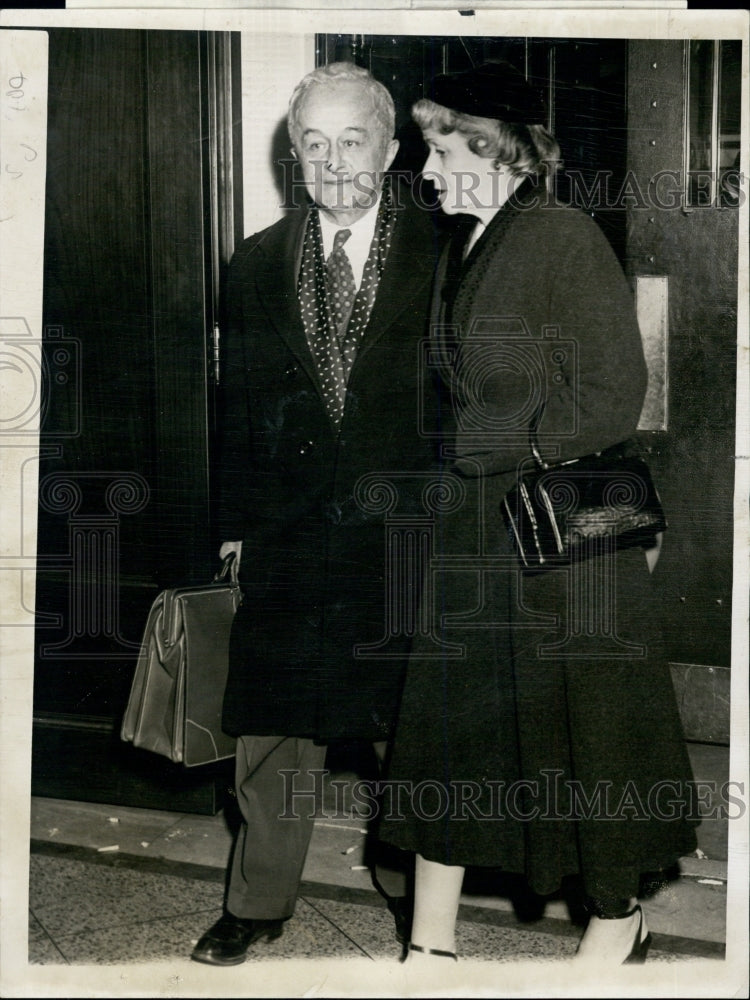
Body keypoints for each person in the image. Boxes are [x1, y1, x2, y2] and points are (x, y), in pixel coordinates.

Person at [379, 61, 698, 967]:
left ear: (494, 148)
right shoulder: (469, 240)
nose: (427, 168)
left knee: (585, 740)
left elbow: (613, 394)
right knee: (452, 736)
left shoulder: (561, 236)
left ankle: (616, 917)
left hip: (558, 538)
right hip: (476, 527)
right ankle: (429, 943)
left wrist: (508, 446)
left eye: (440, 148)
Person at [191, 62, 440, 966]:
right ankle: (258, 900)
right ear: (293, 156)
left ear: (393, 147)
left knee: (405, 723)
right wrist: (233, 524)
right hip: (289, 528)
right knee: (270, 726)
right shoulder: (255, 262)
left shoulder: (447, 246)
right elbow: (240, 406)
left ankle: (416, 885)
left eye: (354, 140)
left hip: (408, 531)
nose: (334, 162)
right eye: (314, 143)